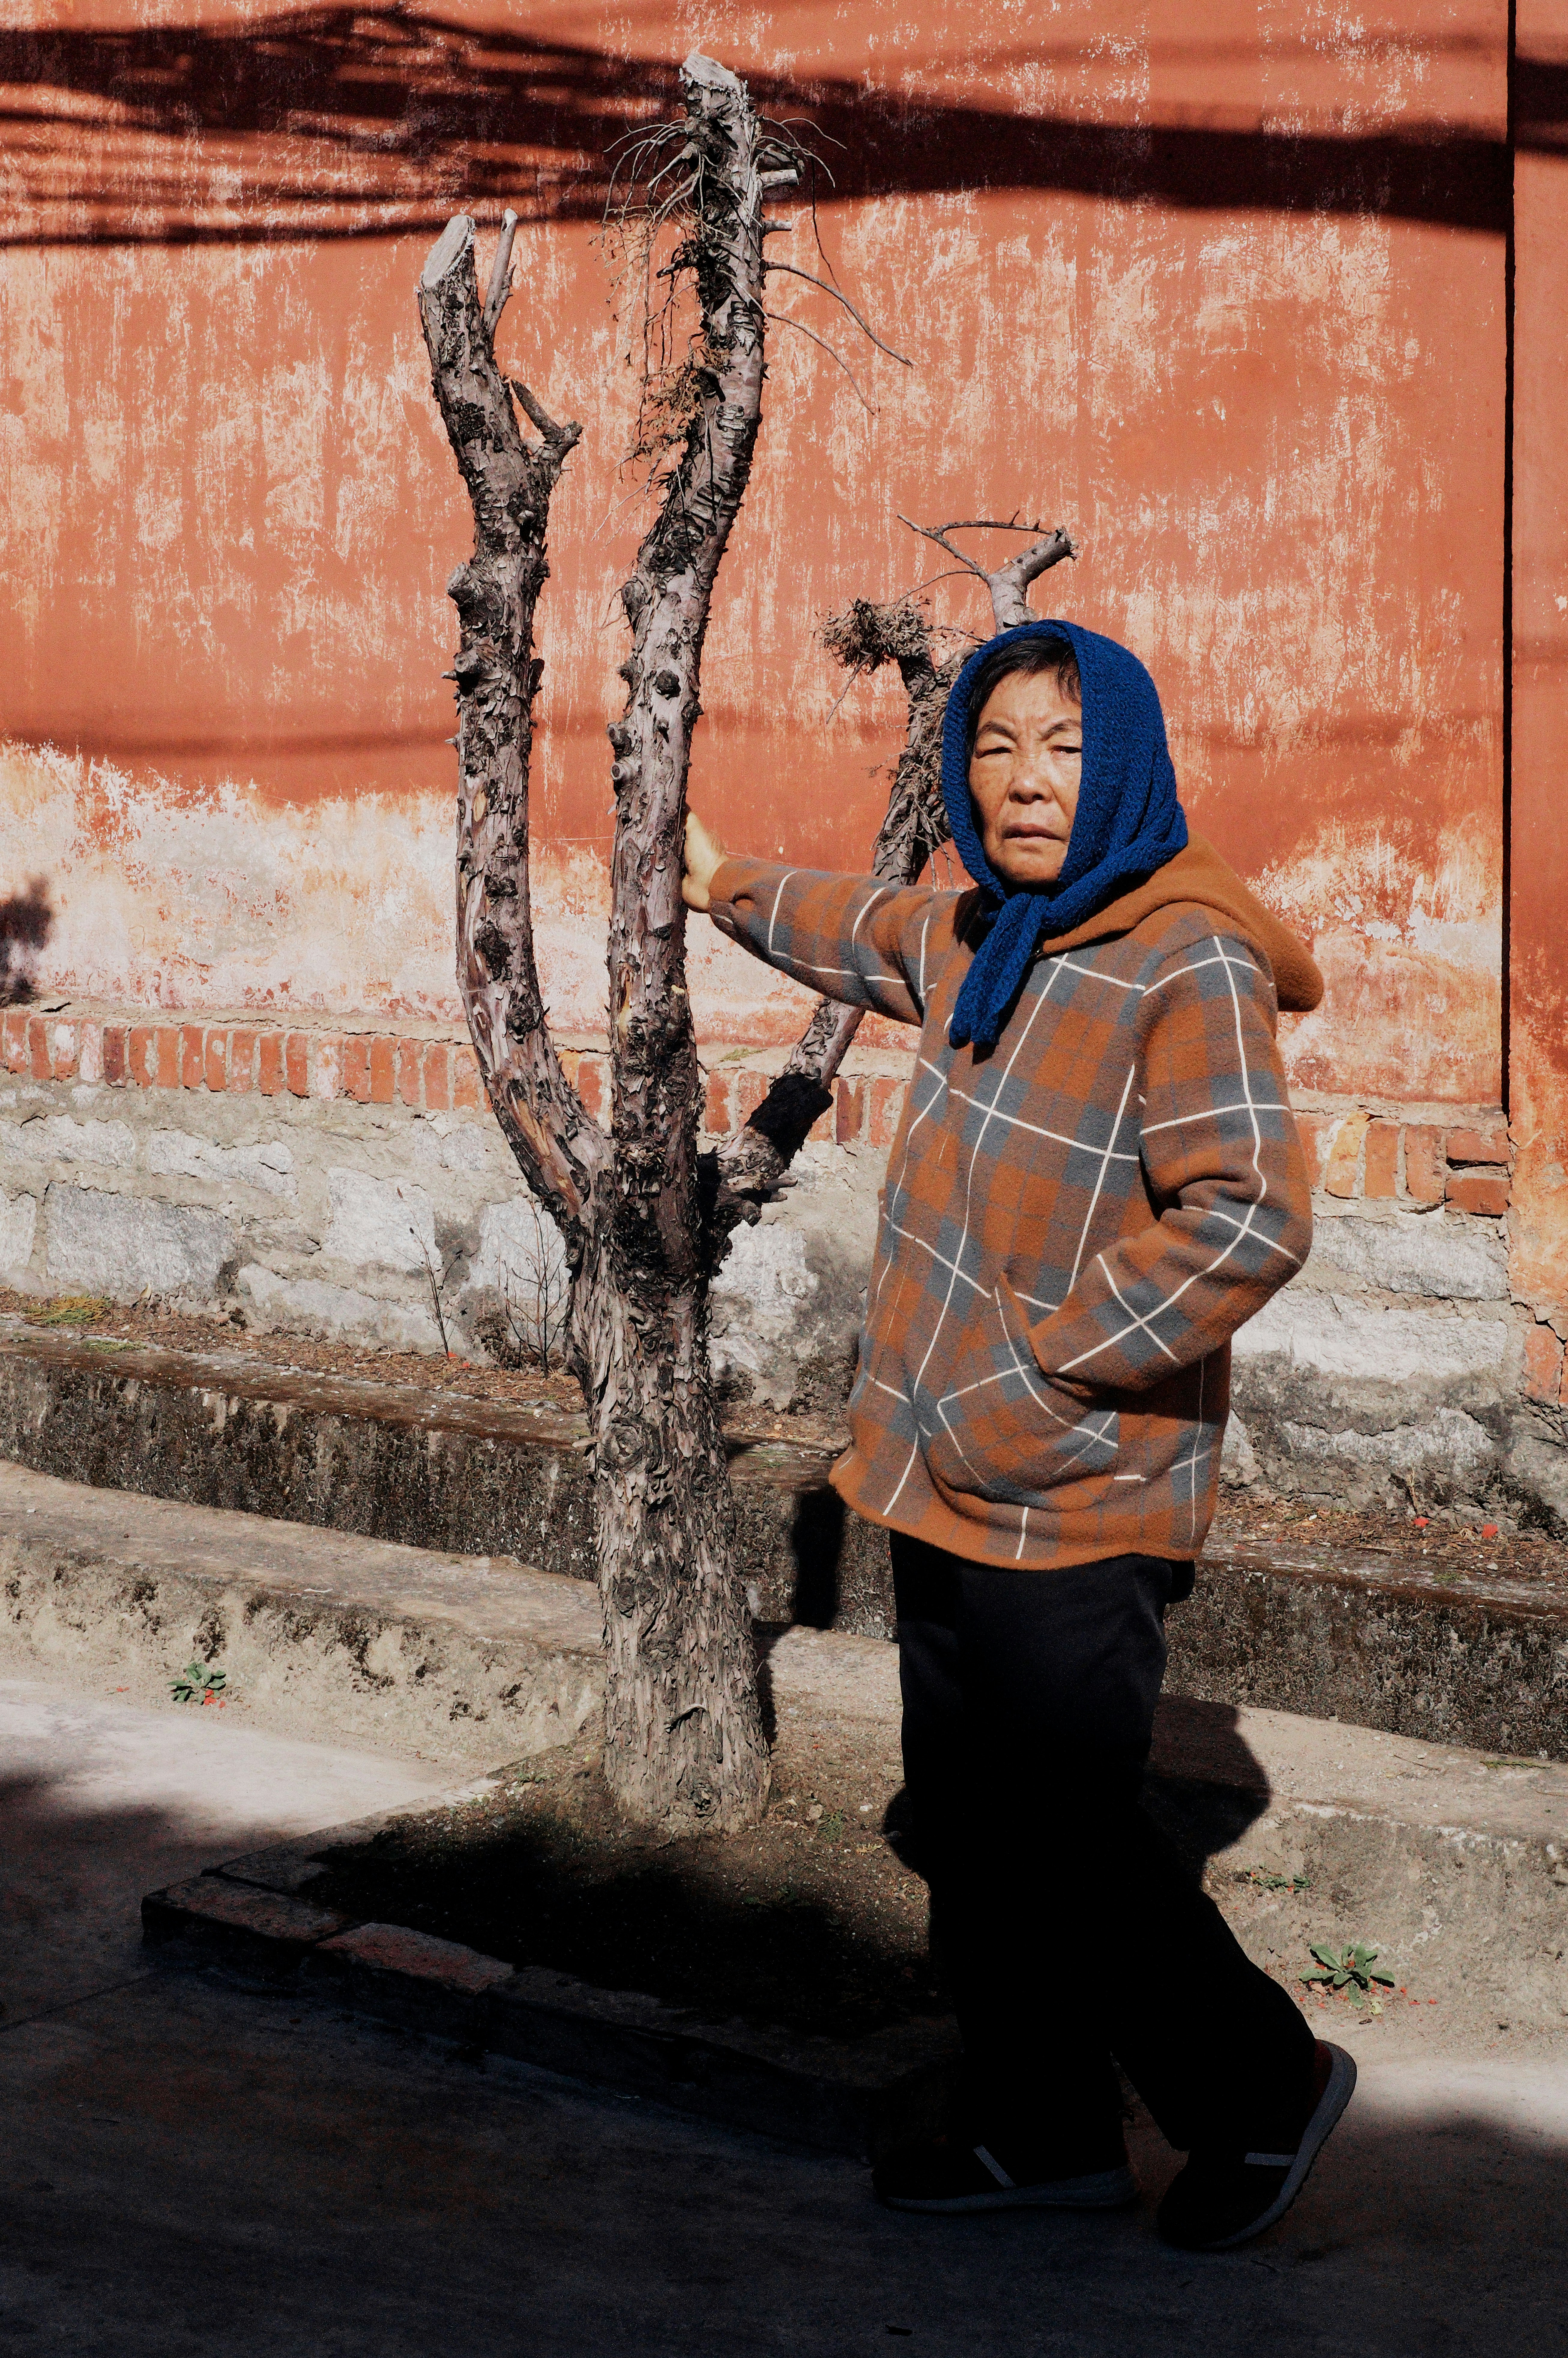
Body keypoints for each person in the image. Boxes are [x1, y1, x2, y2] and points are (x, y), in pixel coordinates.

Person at [681, 617, 1353, 2253]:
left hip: (1073, 1484)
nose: (1025, 779)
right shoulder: (997, 934)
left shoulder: (1177, 956)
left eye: (1059, 747)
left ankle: (1256, 2093)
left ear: (1120, 759)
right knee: (973, 1838)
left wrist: (1045, 1371)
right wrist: (722, 883)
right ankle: (1040, 2129)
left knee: (1066, 1836)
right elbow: (872, 932)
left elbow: (1245, 1214)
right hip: (935, 1475)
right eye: (993, 748)